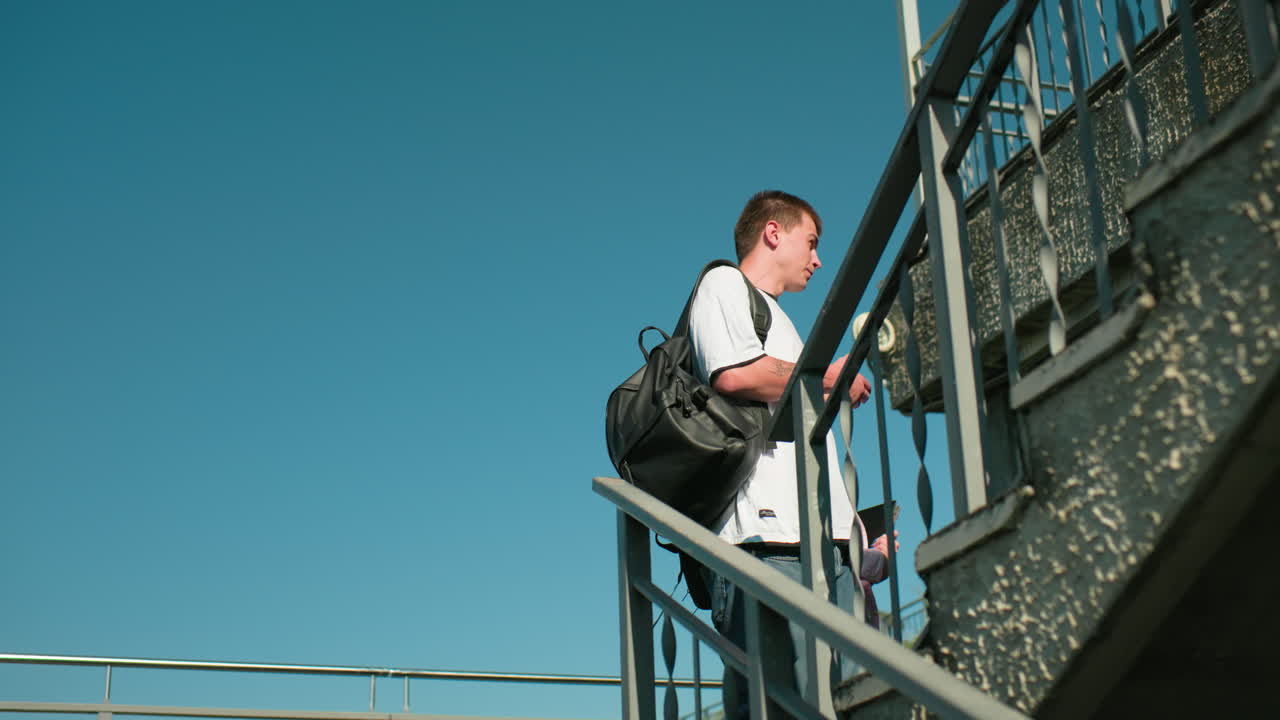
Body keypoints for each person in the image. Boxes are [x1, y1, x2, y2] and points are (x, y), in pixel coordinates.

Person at [688, 189, 888, 717]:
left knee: (841, 703)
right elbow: (734, 373)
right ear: (773, 233)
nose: (818, 260)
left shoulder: (782, 324)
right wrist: (828, 376)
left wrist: (860, 551)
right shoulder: (723, 283)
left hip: (817, 547)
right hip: (767, 545)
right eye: (812, 242)